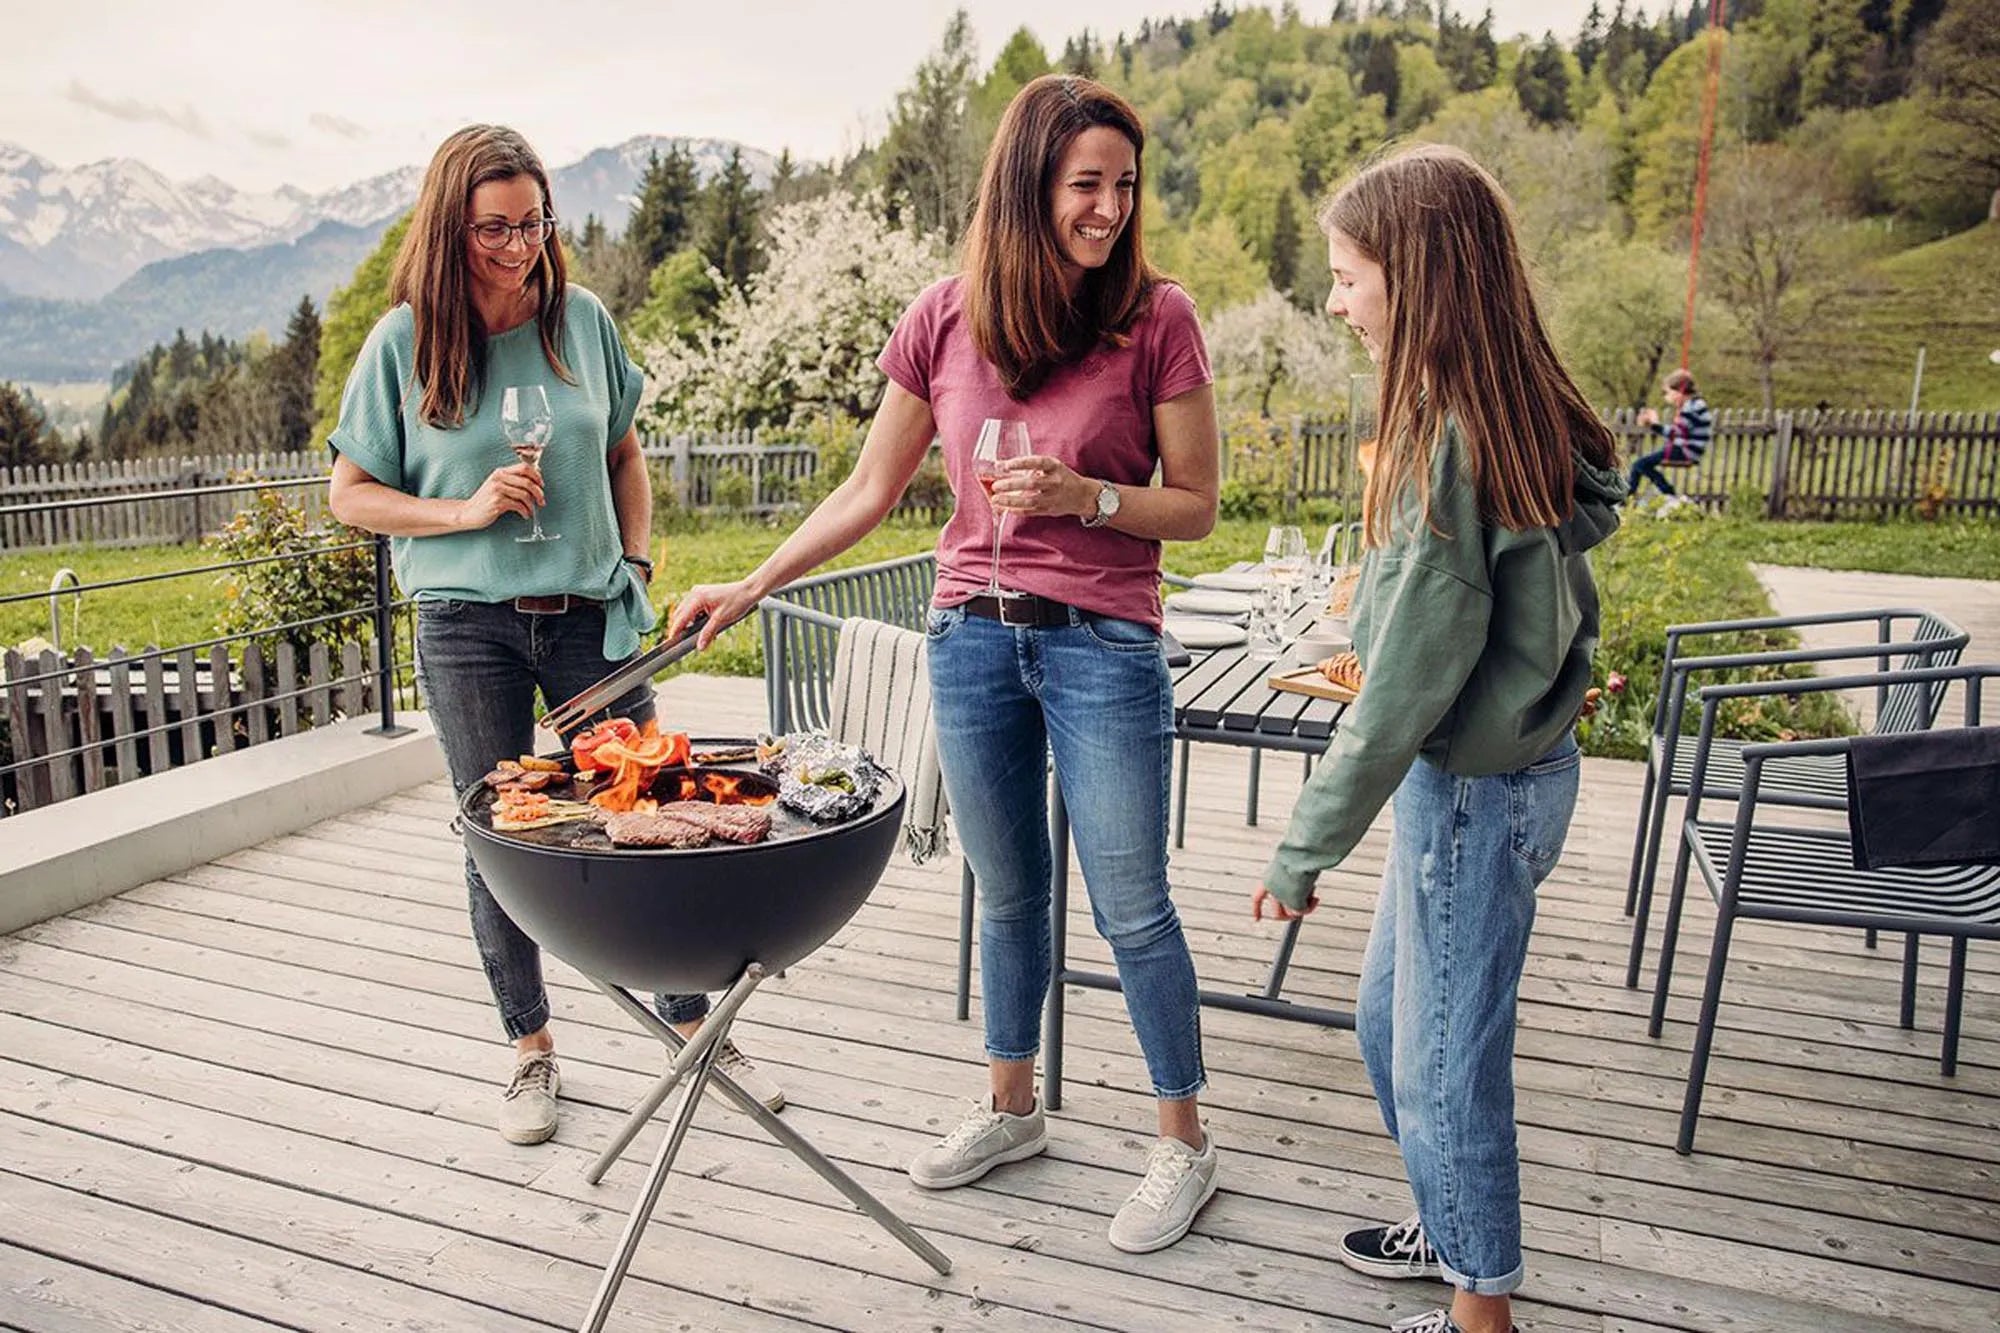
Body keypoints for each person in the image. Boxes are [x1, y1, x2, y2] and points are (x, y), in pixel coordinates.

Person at [667, 74, 1224, 1253]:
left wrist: (1090, 497)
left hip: (1104, 645)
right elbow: (869, 492)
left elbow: (1196, 508)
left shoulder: (1157, 318)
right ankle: (1010, 1108)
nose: (1110, 209)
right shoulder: (943, 317)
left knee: (1131, 906)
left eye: (1125, 186)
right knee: (1007, 891)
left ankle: (1182, 1140)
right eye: (1087, 185)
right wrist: (749, 585)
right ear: (1028, 185)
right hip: (970, 637)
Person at [325, 124, 783, 1148]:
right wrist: (465, 511)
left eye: (532, 222)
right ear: (451, 225)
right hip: (466, 624)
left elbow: (624, 452)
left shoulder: (579, 320)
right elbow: (350, 493)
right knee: (502, 837)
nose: (517, 244)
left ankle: (693, 1027)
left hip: (589, 614)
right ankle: (531, 1051)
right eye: (493, 227)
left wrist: (638, 560)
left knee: (653, 809)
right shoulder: (404, 340)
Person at [1250, 144, 1625, 1333]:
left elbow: (1402, 687)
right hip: (1502, 777)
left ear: (1414, 279)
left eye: (1347, 274)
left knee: (1442, 1064)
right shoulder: (1500, 407)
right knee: (1387, 1028)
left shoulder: (1447, 436)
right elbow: (1503, 596)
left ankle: (1480, 1311)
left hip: (1473, 792)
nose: (1333, 297)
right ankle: (1450, 1223)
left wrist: (1299, 849)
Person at [1626, 368, 1711, 502]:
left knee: (1639, 464)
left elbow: (1675, 433)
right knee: (1641, 464)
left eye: (1668, 393)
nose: (1666, 397)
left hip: (1686, 450)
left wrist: (1654, 423)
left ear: (1679, 391)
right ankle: (1663, 492)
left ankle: (1631, 498)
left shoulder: (1692, 407)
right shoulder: (1695, 405)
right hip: (1685, 448)